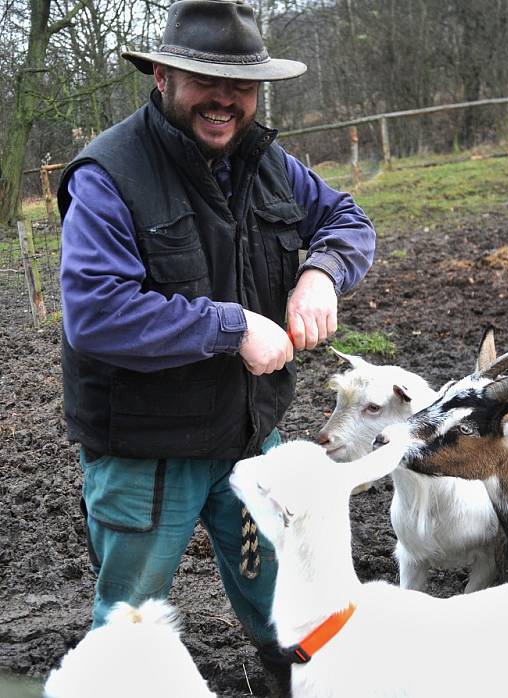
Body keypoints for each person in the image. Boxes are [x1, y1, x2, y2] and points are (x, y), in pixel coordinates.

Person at [56, 0, 375, 693]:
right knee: (129, 629)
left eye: (243, 86)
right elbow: (97, 312)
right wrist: (232, 326)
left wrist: (322, 273)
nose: (226, 100)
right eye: (206, 80)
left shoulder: (269, 164)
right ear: (164, 76)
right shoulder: (108, 174)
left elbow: (349, 220)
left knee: (292, 609)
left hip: (248, 439)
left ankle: (290, 683)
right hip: (147, 455)